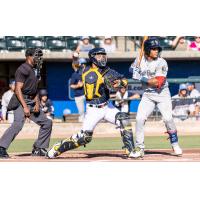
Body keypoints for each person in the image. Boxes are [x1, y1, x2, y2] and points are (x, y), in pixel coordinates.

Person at [47, 47, 135, 159]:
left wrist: (121, 83)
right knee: (84, 138)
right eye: (99, 56)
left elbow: (124, 80)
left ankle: (130, 150)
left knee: (124, 119)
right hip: (93, 109)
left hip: (107, 107)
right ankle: (58, 148)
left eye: (104, 55)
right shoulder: (84, 69)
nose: (102, 58)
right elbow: (75, 65)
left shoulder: (108, 71)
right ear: (92, 57)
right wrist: (74, 57)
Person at [129, 37, 182, 158]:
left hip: (162, 93)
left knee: (168, 119)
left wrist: (140, 77)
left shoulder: (161, 62)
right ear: (147, 50)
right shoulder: (140, 58)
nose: (156, 51)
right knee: (139, 119)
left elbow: (157, 82)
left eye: (157, 48)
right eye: (153, 49)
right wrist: (134, 70)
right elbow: (130, 68)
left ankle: (175, 143)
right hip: (147, 94)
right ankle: (140, 147)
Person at [0, 48, 52, 158]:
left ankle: (38, 148)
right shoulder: (23, 69)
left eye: (40, 56)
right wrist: (25, 107)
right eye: (36, 56)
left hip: (31, 100)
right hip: (20, 100)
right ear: (28, 56)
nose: (39, 58)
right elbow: (17, 89)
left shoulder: (35, 70)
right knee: (18, 124)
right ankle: (1, 148)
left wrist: (37, 103)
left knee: (47, 123)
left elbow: (34, 89)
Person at [70, 52, 86, 122]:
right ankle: (82, 129)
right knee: (81, 112)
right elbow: (71, 85)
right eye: (83, 64)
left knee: (91, 111)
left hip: (88, 95)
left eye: (85, 64)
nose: (84, 66)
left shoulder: (89, 73)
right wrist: (78, 85)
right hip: (79, 95)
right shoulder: (75, 74)